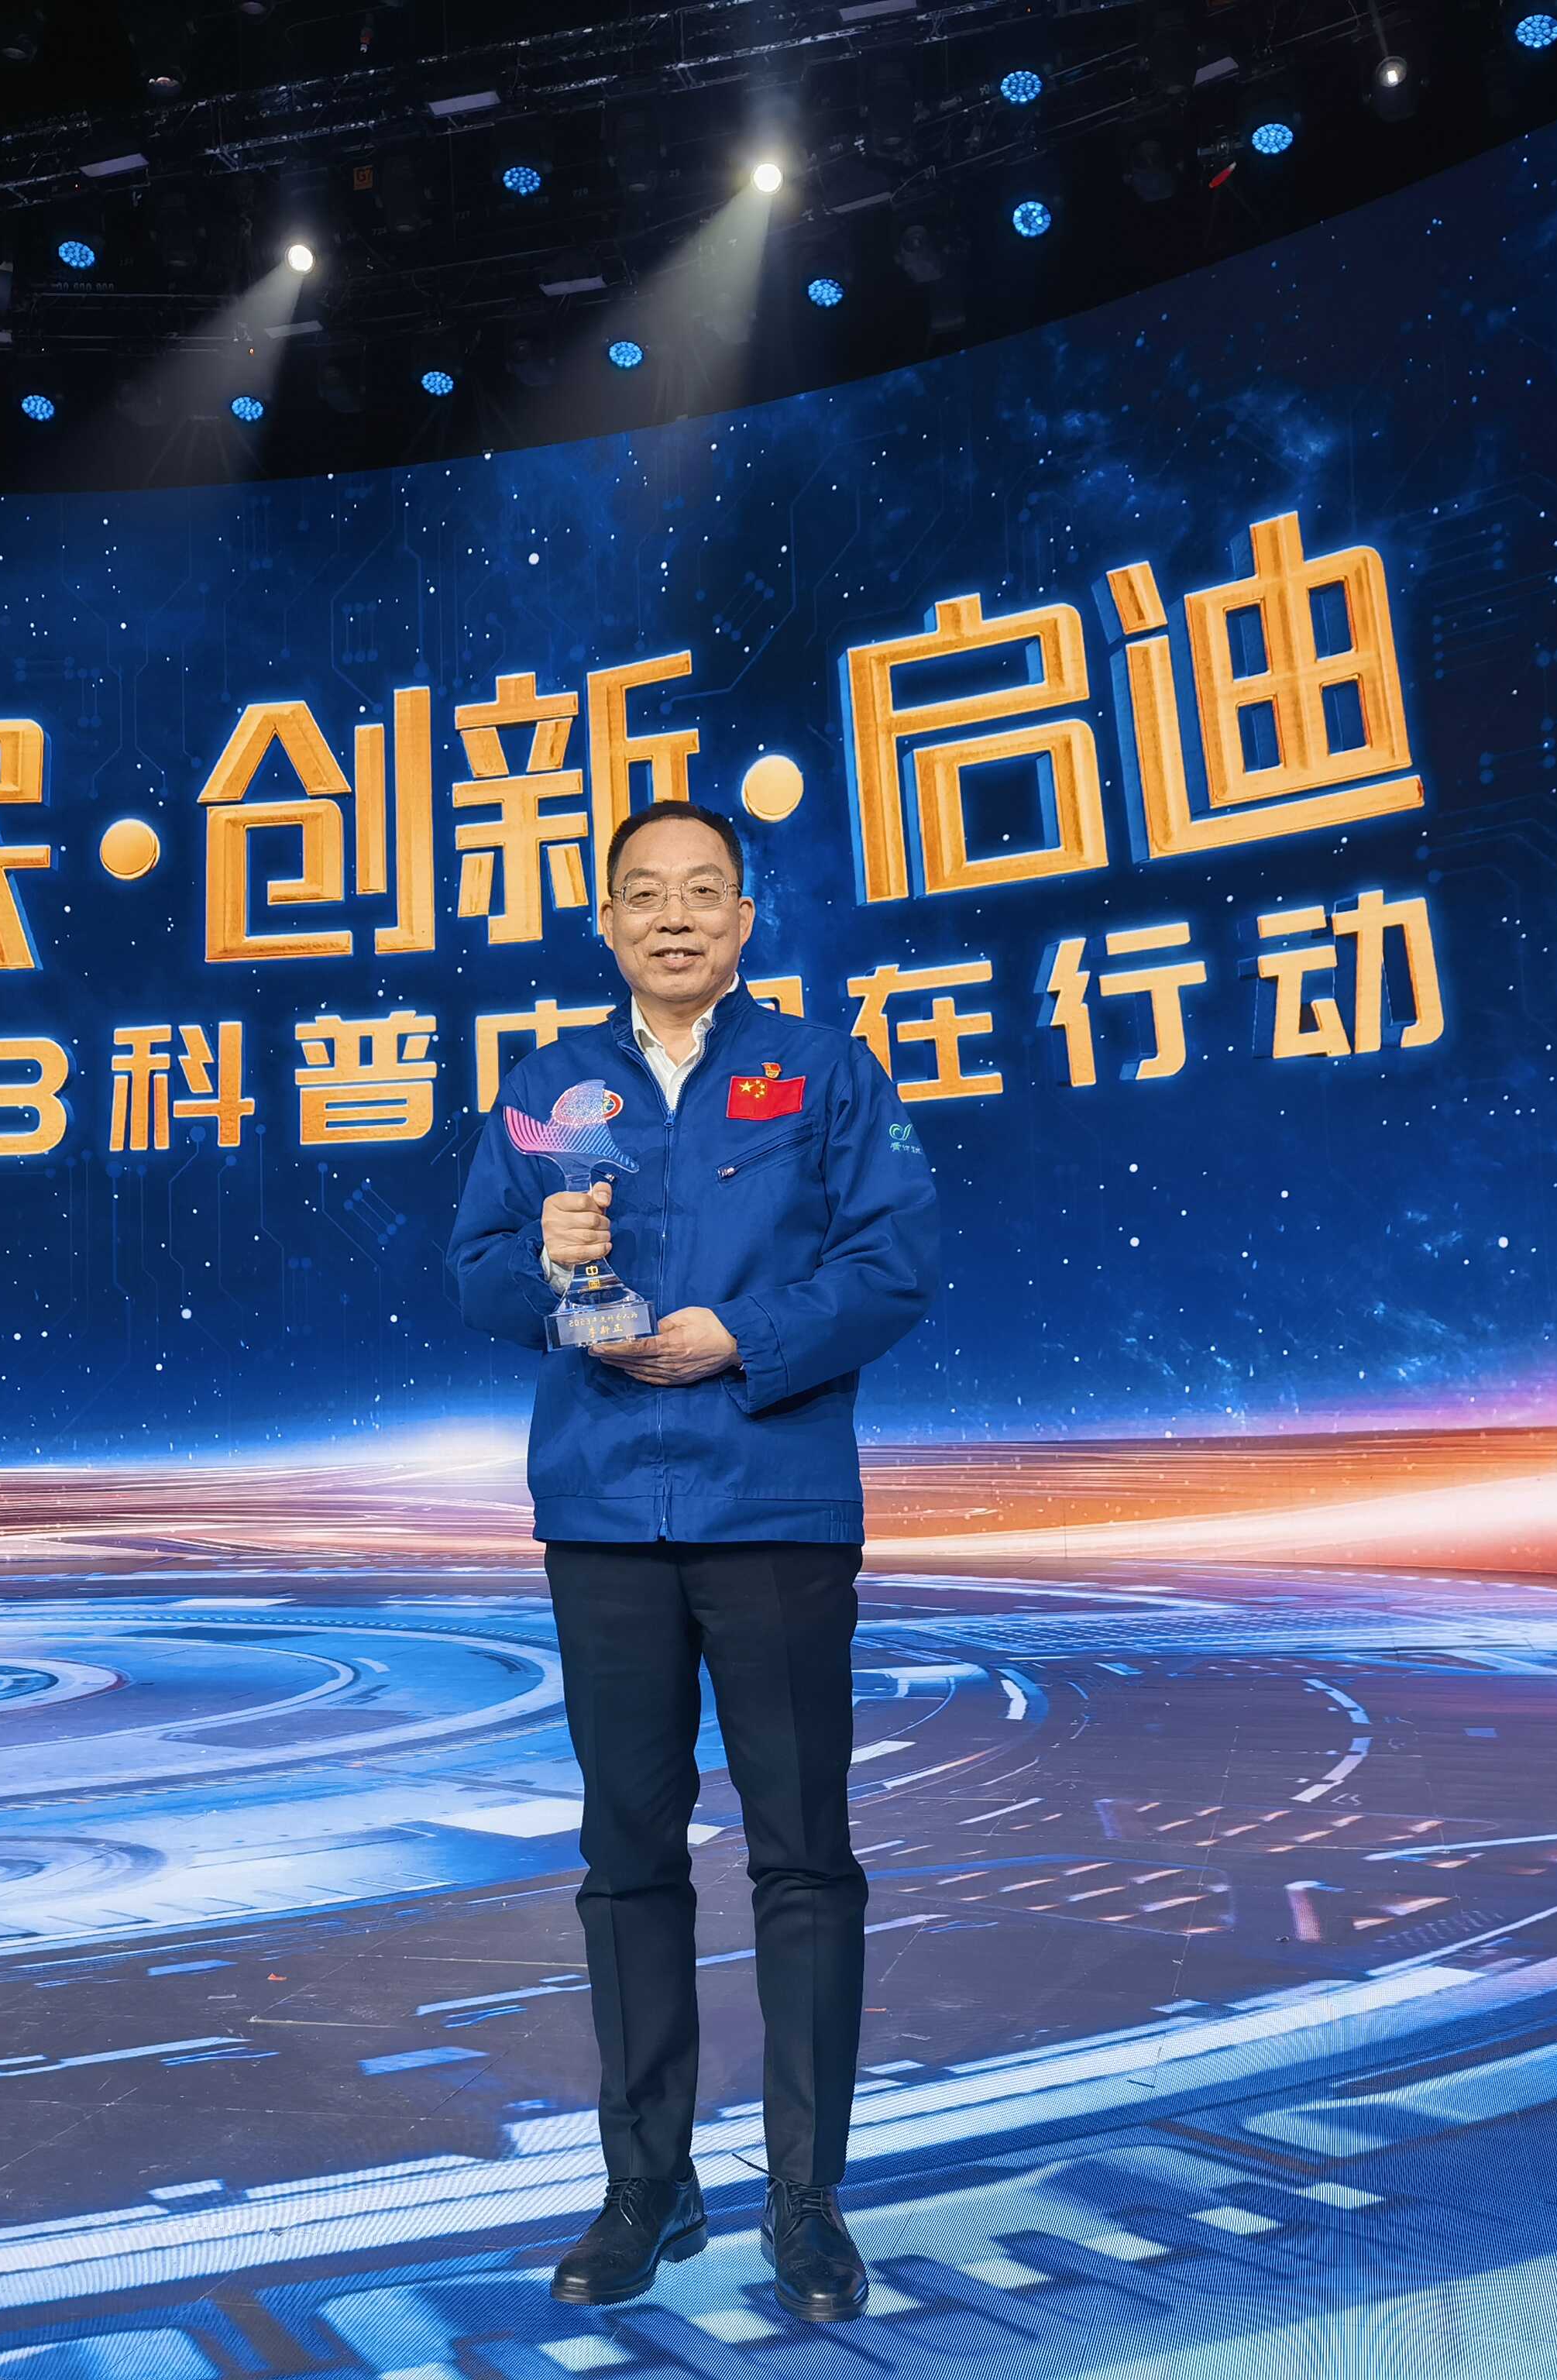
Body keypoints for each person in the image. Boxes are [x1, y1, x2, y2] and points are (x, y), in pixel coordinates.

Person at [447, 801, 940, 2323]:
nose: (674, 916)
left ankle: (807, 2202)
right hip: (605, 1512)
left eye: (703, 892)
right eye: (644, 894)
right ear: (606, 921)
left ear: (742, 919)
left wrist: (743, 1336)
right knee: (627, 1864)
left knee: (802, 1857)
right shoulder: (546, 1087)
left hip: (773, 1502)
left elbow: (894, 1264)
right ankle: (647, 2189)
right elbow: (475, 1273)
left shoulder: (825, 1070)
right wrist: (545, 1273)